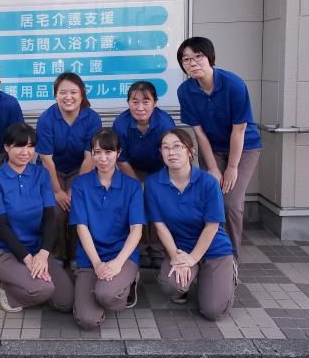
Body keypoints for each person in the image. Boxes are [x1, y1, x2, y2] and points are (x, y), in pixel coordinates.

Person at [176, 37, 261, 259]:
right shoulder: (185, 91)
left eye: (198, 56)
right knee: (210, 197)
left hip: (244, 147)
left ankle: (231, 258)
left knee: (231, 203)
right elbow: (199, 133)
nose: (193, 63)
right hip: (212, 148)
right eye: (186, 59)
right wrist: (213, 168)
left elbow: (239, 130)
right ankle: (209, 251)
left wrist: (232, 167)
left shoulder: (233, 84)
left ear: (210, 58)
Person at [145, 129, 236, 321]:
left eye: (177, 146)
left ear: (190, 151)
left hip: (213, 248)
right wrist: (176, 257)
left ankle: (225, 272)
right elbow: (160, 226)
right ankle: (193, 281)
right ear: (161, 153)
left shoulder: (208, 182)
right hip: (181, 248)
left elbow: (212, 226)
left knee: (213, 311)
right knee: (172, 285)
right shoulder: (153, 184)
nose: (171, 152)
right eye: (166, 148)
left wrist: (192, 259)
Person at [0, 123, 74, 313]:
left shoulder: (41, 174)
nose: (26, 152)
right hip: (6, 251)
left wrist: (43, 254)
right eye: (19, 146)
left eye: (30, 146)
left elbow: (49, 218)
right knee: (43, 289)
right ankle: (7, 286)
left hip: (36, 249)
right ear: (6, 147)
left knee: (65, 301)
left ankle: (29, 283)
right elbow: (0, 226)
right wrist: (27, 259)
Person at [70, 129, 145, 330]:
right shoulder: (80, 185)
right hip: (90, 258)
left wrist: (118, 263)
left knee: (107, 295)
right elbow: (81, 227)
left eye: (108, 152)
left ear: (118, 153)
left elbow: (136, 230)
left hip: (122, 256)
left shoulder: (132, 186)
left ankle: (125, 282)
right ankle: (101, 288)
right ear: (92, 154)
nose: (103, 158)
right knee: (87, 320)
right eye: (97, 152)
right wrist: (97, 264)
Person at [35, 72, 102, 264]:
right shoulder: (46, 119)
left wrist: (74, 189)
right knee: (55, 209)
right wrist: (57, 191)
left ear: (82, 94)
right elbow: (46, 160)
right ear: (55, 95)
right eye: (62, 92)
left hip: (79, 170)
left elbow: (90, 158)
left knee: (77, 205)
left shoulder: (92, 118)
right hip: (51, 171)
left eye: (73, 92)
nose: (68, 97)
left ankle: (76, 255)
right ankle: (56, 255)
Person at [112, 80, 175, 268]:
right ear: (128, 103)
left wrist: (153, 184)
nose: (140, 107)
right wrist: (135, 184)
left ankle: (157, 248)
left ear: (155, 102)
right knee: (135, 199)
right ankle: (138, 248)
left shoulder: (165, 123)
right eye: (135, 102)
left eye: (146, 101)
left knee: (156, 198)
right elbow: (121, 159)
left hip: (160, 168)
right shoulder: (121, 124)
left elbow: (170, 154)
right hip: (131, 169)